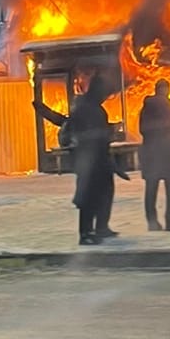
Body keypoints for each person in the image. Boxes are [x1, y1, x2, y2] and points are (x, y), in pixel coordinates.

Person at [61, 73, 123, 246]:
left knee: (103, 193)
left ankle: (100, 227)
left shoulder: (93, 107)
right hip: (89, 159)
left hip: (99, 158)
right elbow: (81, 132)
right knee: (89, 197)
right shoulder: (86, 108)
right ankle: (86, 233)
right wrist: (103, 135)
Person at [139, 80, 170, 231]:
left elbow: (142, 130)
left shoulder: (146, 110)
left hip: (151, 154)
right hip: (169, 153)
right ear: (167, 91)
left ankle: (152, 222)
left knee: (151, 188)